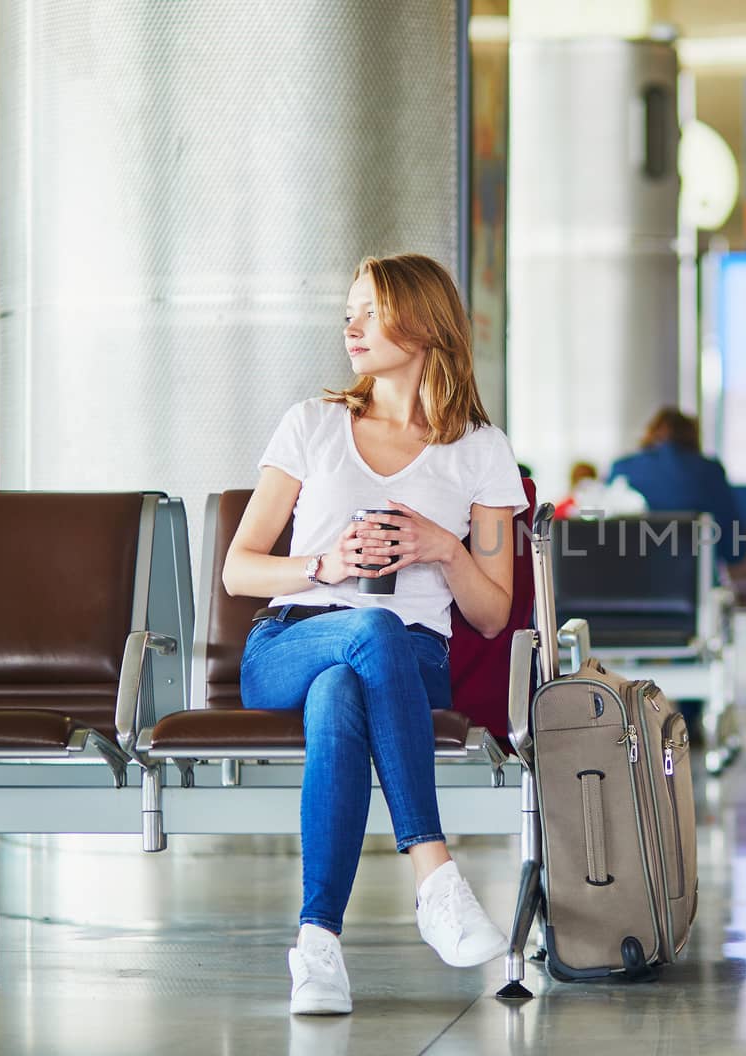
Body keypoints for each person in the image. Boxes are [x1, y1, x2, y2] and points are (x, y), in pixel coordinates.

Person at [222, 253, 525, 1015]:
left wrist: (441, 547)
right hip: (289, 640)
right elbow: (238, 570)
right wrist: (325, 562)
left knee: (344, 692)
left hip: (409, 657)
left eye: (370, 310)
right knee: (361, 637)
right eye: (349, 310)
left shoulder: (481, 449)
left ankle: (317, 946)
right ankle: (434, 873)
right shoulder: (313, 424)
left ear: (422, 323)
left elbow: (490, 612)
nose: (350, 325)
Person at [607, 407, 746, 563]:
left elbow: (604, 534)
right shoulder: (710, 471)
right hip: (696, 576)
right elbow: (734, 546)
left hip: (629, 574)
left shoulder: (622, 469)